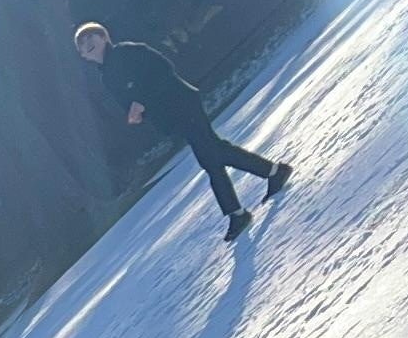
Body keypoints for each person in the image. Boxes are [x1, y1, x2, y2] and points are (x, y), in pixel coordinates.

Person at [74, 22, 293, 241]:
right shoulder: (106, 77)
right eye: (82, 44)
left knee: (211, 156)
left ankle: (242, 208)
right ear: (83, 56)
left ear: (103, 37)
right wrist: (135, 112)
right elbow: (128, 101)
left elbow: (162, 69)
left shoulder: (127, 51)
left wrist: (141, 100)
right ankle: (270, 176)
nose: (87, 43)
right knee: (215, 153)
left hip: (182, 103)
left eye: (90, 37)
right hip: (172, 116)